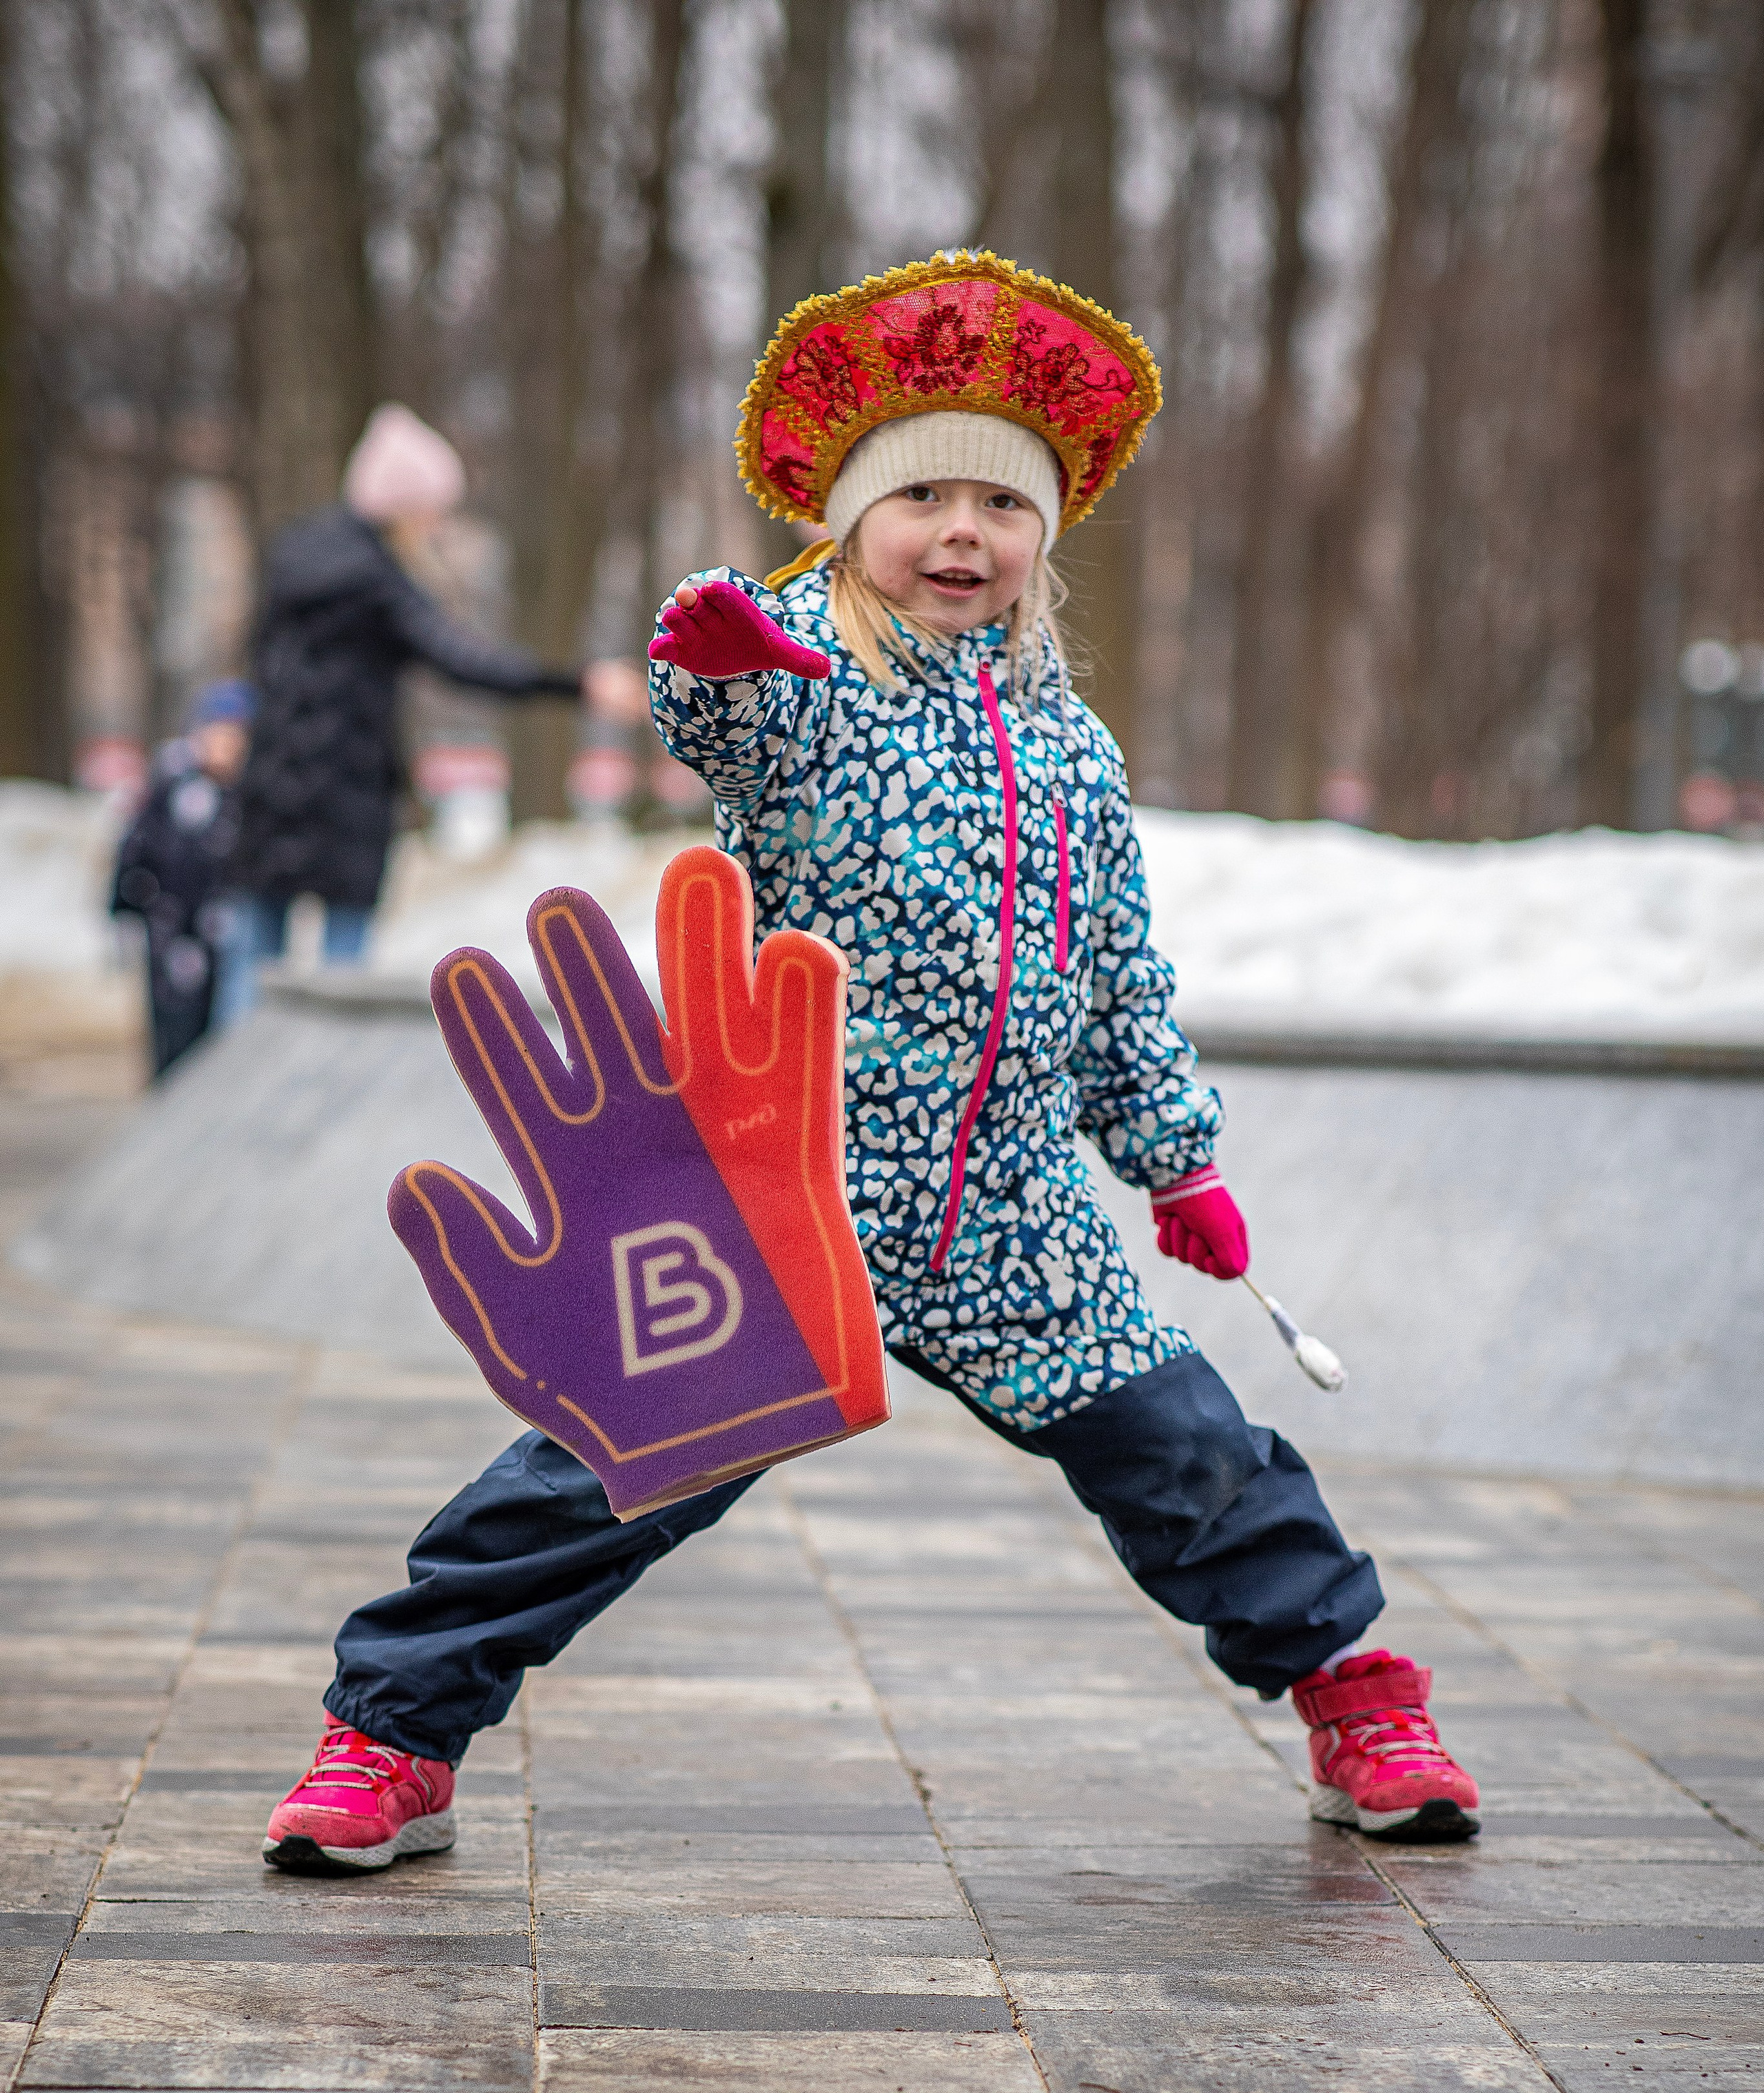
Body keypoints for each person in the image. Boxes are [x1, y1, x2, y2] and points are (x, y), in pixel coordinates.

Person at [262, 253, 1481, 1875]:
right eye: (919, 499)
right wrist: (716, 670)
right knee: (599, 1473)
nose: (958, 531)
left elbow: (1116, 973)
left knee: (1188, 1456)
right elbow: (723, 718)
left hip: (1011, 1210)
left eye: (998, 500)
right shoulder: (808, 685)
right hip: (785, 1188)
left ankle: (1351, 1691)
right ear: (846, 521)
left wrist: (1173, 1157)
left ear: (1044, 533)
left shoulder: (1072, 750)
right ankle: (391, 1733)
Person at [229, 403, 588, 1005]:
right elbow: (460, 659)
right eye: (434, 510)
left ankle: (228, 1088)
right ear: (405, 506)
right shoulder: (379, 582)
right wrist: (571, 684)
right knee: (342, 979)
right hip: (348, 794)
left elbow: (256, 661)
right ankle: (324, 1092)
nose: (437, 525)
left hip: (271, 787)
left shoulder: (293, 558)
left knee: (250, 963)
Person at [109, 680, 255, 1077]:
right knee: (173, 1029)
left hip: (222, 927)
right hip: (168, 927)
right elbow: (137, 845)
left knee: (222, 1027)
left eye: (237, 735)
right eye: (217, 732)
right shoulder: (173, 781)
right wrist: (123, 905)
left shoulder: (246, 793)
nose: (226, 744)